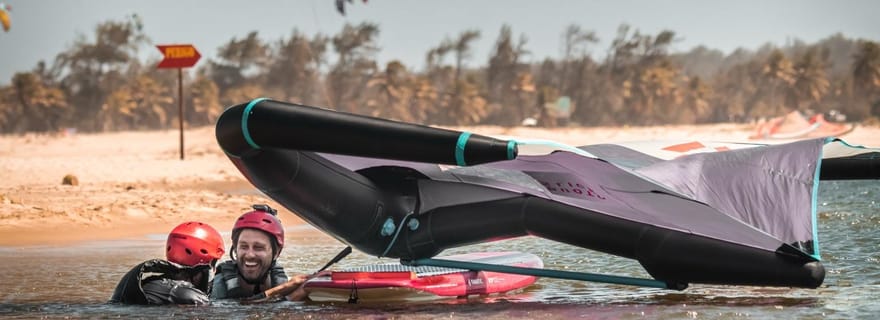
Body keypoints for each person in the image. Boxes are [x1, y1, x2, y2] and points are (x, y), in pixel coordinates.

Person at [110, 221, 225, 305]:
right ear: (203, 267)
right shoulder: (187, 296)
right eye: (214, 264)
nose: (214, 272)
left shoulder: (151, 283)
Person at [211, 204, 295, 300]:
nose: (250, 255)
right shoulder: (219, 286)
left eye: (258, 248)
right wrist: (282, 290)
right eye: (244, 247)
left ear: (277, 252)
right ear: (235, 249)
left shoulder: (281, 281)